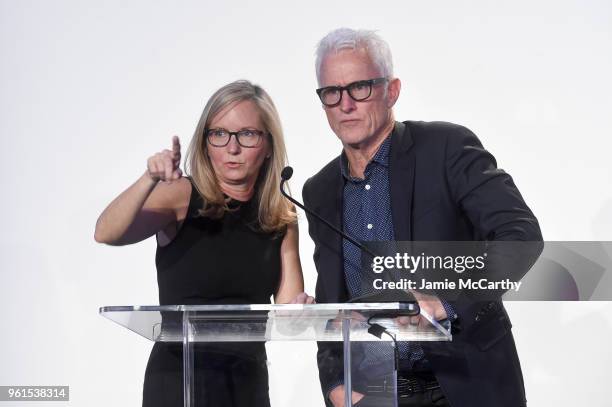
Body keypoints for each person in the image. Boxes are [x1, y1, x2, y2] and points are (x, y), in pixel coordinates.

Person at [302, 28, 543, 407]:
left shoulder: (446, 148)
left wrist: (445, 301)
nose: (345, 104)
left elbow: (519, 236)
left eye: (359, 87)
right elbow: (332, 300)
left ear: (392, 90)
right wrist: (336, 383)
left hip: (468, 384)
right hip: (377, 394)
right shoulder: (318, 190)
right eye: (332, 92)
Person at [94, 80, 313, 407]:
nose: (232, 148)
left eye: (247, 134)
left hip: (246, 381)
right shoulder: (181, 195)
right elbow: (106, 232)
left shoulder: (280, 213)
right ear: (205, 141)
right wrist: (148, 178)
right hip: (180, 379)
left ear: (268, 144)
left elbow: (287, 310)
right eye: (219, 134)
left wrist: (300, 312)